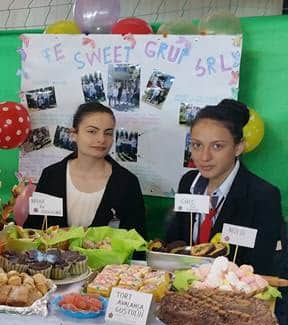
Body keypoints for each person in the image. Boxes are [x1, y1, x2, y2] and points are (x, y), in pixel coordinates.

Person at [165, 98, 283, 275]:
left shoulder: (263, 196)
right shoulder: (188, 183)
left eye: (217, 146)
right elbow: (174, 243)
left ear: (238, 147)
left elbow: (261, 265)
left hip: (231, 288)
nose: (204, 157)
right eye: (197, 145)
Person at [25, 102, 146, 232]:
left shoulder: (127, 182)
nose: (101, 139)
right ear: (74, 134)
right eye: (92, 131)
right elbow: (32, 231)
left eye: (108, 133)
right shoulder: (51, 175)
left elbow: (137, 238)